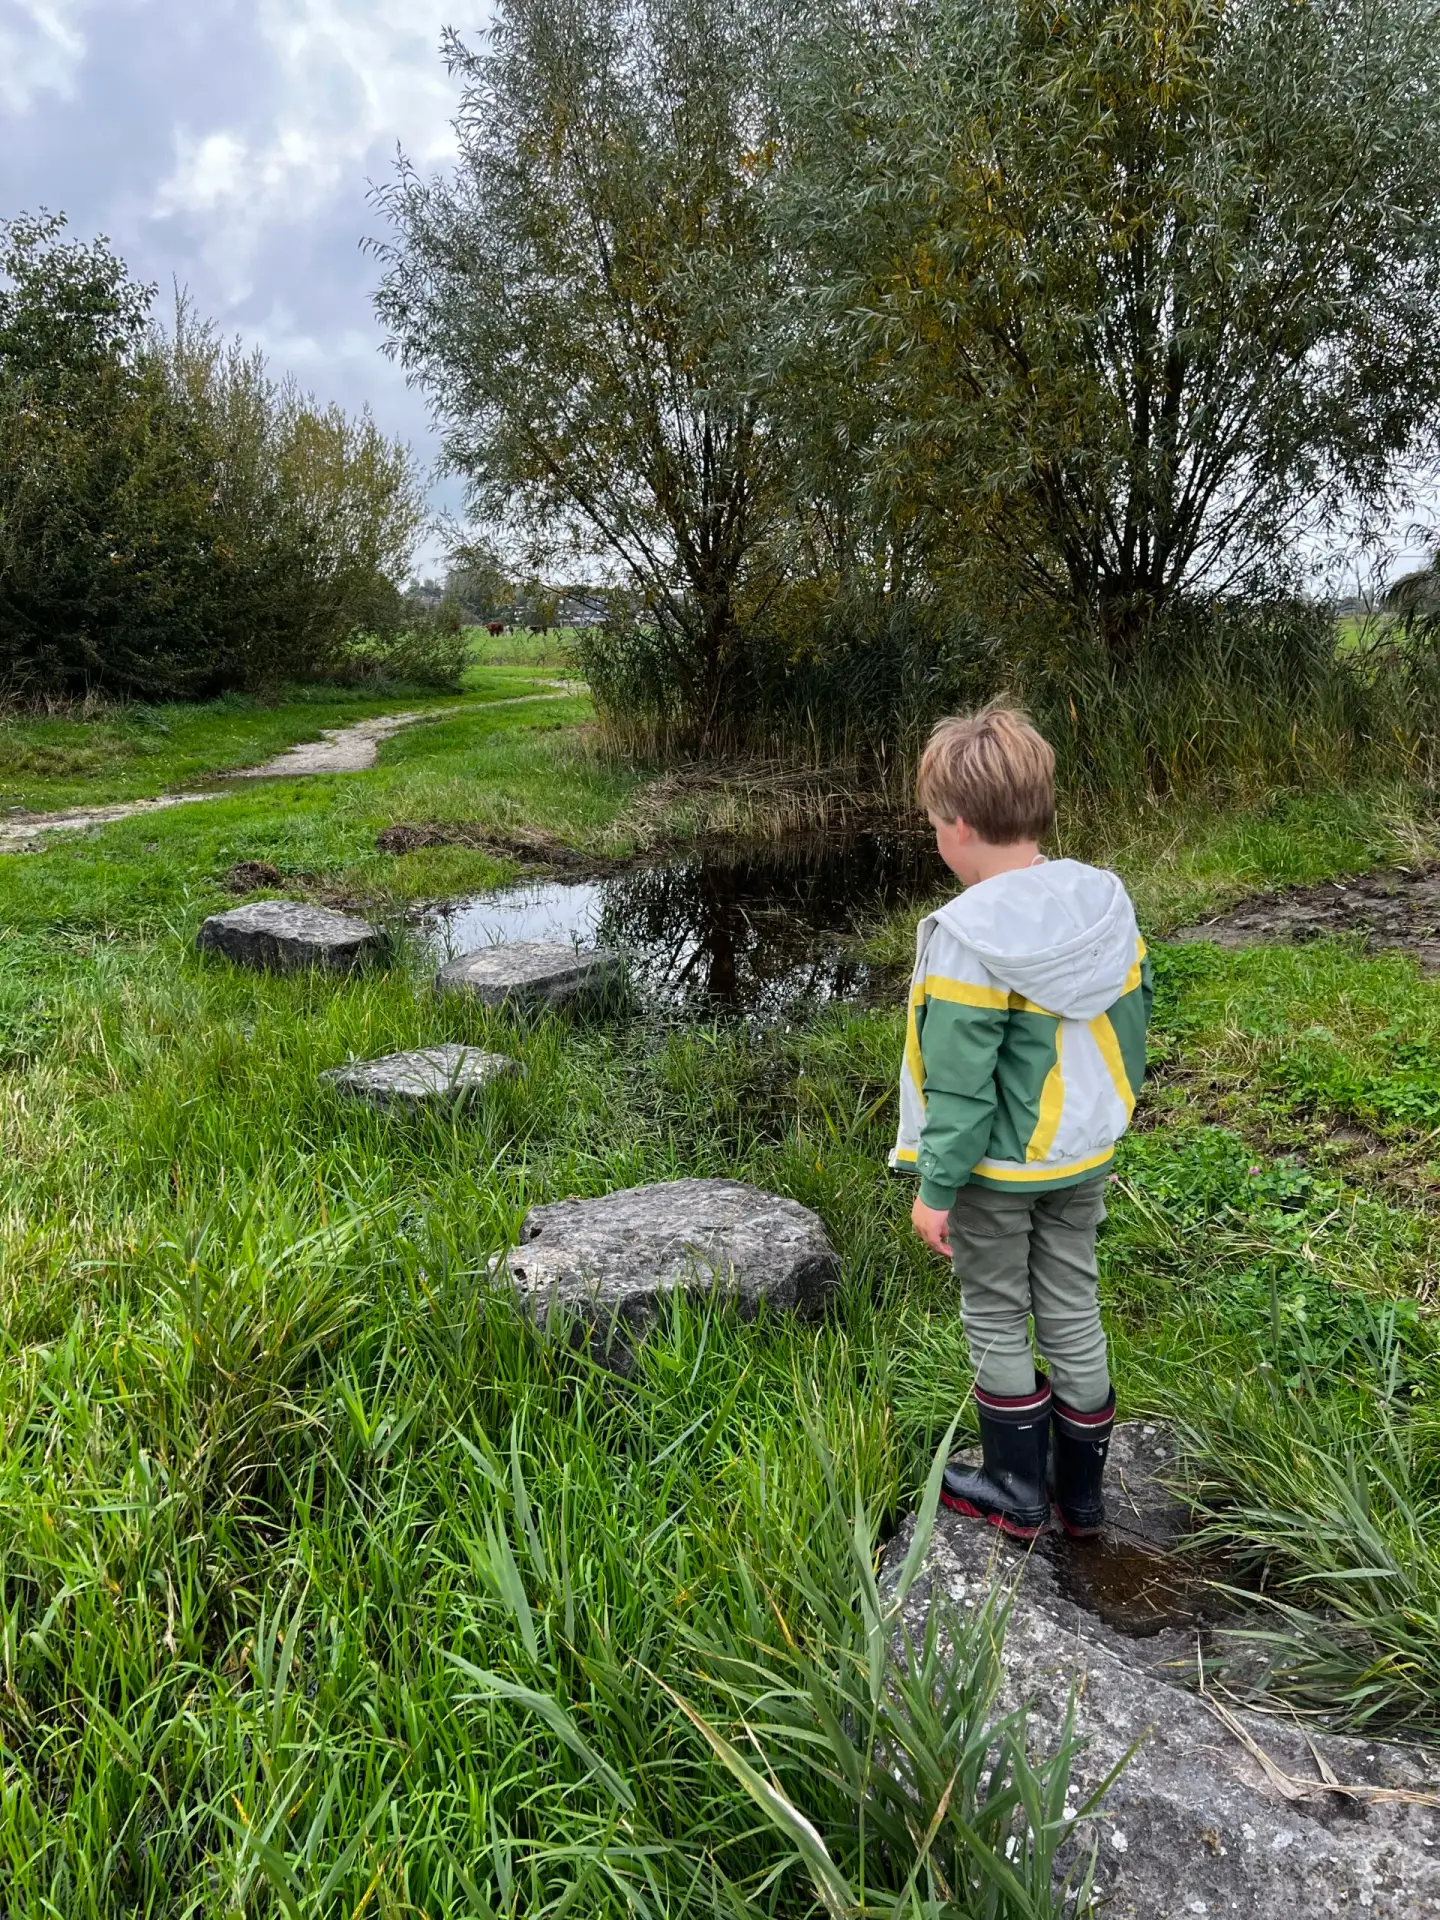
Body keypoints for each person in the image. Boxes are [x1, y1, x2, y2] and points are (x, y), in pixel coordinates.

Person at [893, 706, 1152, 1539]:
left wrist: (936, 1189)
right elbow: (1134, 1027)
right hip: (1081, 1156)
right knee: (1073, 1304)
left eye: (934, 823)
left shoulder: (968, 935)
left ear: (959, 827)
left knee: (998, 1310)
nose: (937, 836)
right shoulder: (1102, 902)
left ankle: (1016, 1490)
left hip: (996, 1173)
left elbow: (962, 1091)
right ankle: (1082, 1497)